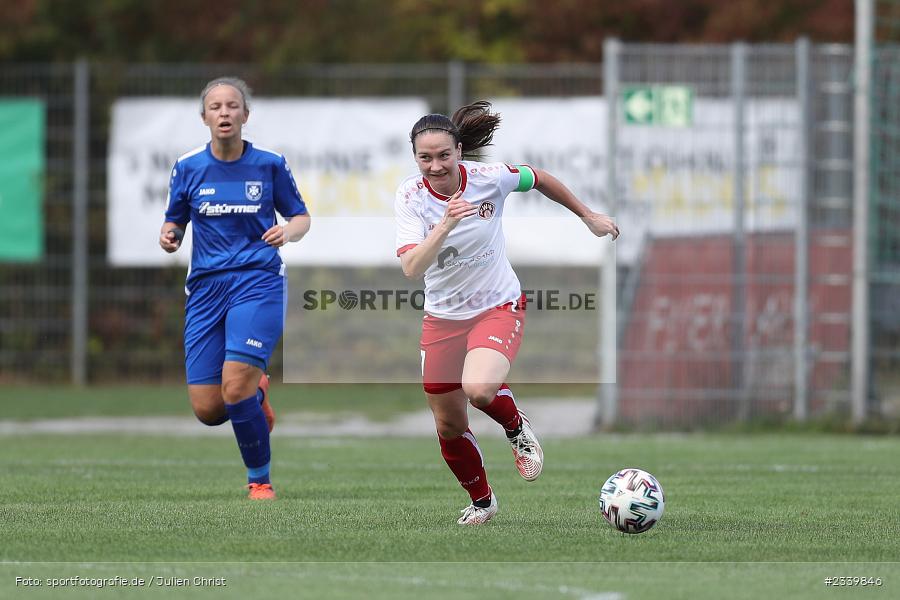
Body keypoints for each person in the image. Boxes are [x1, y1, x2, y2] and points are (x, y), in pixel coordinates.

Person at [395, 101, 618, 525]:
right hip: (442, 317)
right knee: (448, 425)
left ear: (460, 151)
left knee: (478, 389)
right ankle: (483, 501)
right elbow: (411, 268)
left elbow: (538, 178)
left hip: (497, 305)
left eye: (444, 155)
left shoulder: (489, 178)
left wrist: (587, 216)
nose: (436, 165)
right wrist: (444, 225)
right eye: (425, 157)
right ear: (415, 157)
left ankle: (515, 427)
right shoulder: (409, 196)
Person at [159, 77, 311, 500]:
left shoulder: (269, 164)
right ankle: (257, 392)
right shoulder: (187, 167)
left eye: (232, 105)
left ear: (245, 114)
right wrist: (170, 234)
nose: (224, 112)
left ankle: (259, 481)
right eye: (215, 106)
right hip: (206, 288)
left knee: (234, 387)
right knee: (209, 410)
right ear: (204, 116)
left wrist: (289, 232)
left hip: (257, 282)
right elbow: (175, 219)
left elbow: (300, 216)